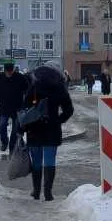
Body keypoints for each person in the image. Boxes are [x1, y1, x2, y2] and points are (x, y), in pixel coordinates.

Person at [22, 64, 75, 201]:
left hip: (34, 128)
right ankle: (48, 192)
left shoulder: (33, 85)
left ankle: (36, 191)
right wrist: (58, 120)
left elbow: (24, 107)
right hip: (52, 128)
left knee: (37, 161)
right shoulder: (59, 87)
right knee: (50, 160)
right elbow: (69, 110)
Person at [0, 59, 29, 158]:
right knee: (2, 125)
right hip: (4, 107)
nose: (9, 73)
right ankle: (4, 141)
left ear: (13, 69)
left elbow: (28, 90)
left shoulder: (20, 78)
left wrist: (27, 103)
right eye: (8, 72)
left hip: (17, 108)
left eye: (11, 71)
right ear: (5, 70)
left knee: (15, 130)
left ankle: (12, 149)